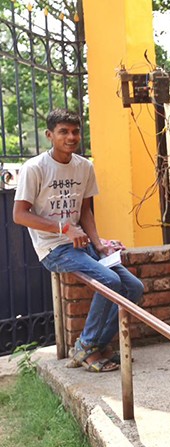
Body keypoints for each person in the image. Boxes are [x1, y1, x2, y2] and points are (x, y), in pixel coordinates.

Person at [13, 109, 144, 372]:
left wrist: (99, 243)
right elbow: (20, 215)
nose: (71, 137)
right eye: (63, 132)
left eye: (75, 131)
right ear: (50, 135)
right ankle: (86, 346)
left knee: (133, 287)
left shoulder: (84, 166)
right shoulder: (35, 168)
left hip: (80, 243)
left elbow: (85, 211)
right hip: (53, 247)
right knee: (110, 281)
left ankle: (97, 345)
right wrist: (63, 228)